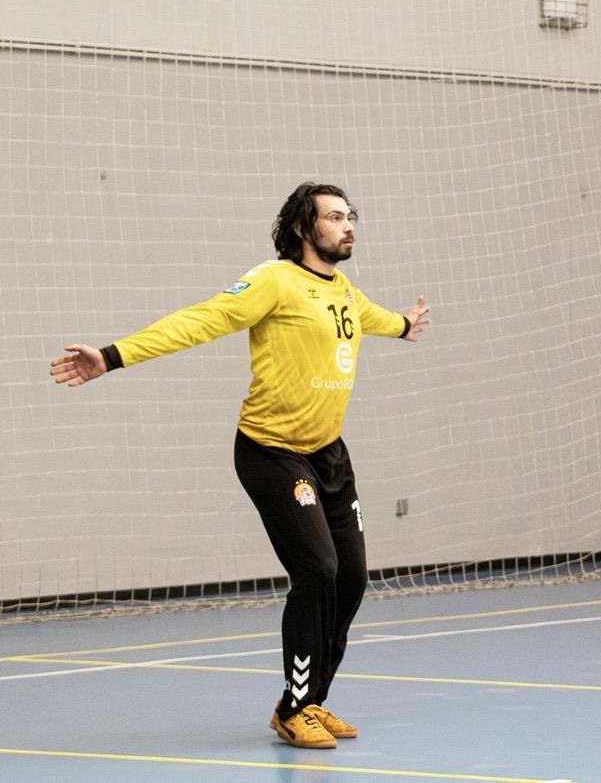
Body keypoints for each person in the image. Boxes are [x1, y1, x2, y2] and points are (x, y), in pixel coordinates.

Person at [49, 182, 431, 748]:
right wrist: (110, 356)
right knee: (318, 572)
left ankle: (312, 700)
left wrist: (402, 323)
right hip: (272, 452)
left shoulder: (344, 288)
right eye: (334, 217)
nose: (348, 225)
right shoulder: (273, 280)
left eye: (351, 216)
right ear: (304, 228)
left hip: (330, 455)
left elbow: (368, 317)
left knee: (351, 578)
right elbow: (202, 319)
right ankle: (293, 707)